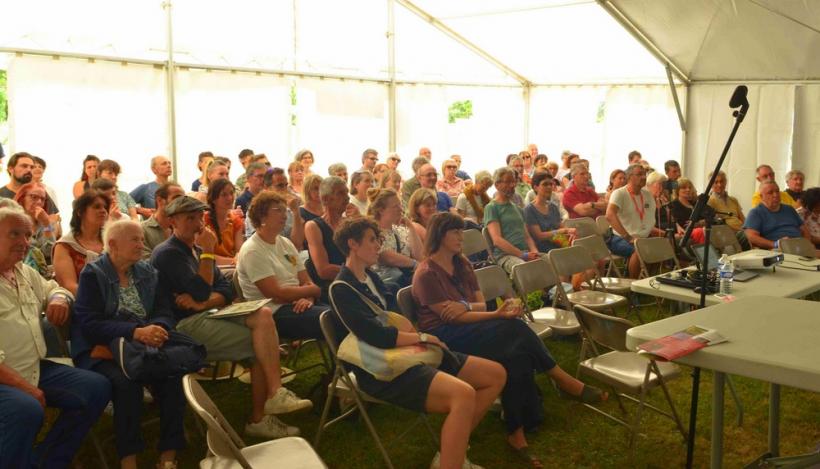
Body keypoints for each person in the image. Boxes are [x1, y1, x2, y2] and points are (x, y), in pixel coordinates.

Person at [414, 212, 606, 468]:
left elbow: (477, 305)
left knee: (515, 356)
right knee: (513, 327)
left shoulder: (461, 264)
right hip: (445, 338)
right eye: (455, 233)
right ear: (440, 236)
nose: (462, 237)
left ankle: (517, 433)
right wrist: (488, 312)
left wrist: (465, 307)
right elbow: (451, 319)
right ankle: (560, 379)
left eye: (461, 232)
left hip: (469, 326)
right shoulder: (426, 273)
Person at [331, 216, 505, 469]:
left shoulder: (372, 278)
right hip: (382, 369)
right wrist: (423, 338)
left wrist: (419, 340)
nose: (378, 245)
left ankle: (450, 452)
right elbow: (377, 337)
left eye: (378, 239)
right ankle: (451, 461)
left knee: (495, 375)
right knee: (463, 394)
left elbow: (397, 320)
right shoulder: (341, 288)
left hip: (406, 353)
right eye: (372, 240)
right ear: (352, 244)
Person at [152, 199, 309, 440]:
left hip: (208, 313)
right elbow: (204, 289)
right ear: (172, 221)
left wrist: (204, 301)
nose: (197, 224)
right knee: (261, 344)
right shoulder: (168, 253)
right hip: (184, 326)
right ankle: (259, 418)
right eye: (189, 218)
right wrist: (207, 255)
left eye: (199, 217)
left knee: (263, 314)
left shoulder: (195, 249)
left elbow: (225, 290)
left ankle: (275, 393)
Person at [0, 205, 110, 469]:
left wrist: (59, 299)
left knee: (96, 387)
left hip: (32, 366)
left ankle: (48, 461)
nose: (24, 242)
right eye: (14, 234)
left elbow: (56, 289)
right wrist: (26, 389)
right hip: (5, 376)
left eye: (27, 235)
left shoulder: (23, 272)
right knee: (25, 408)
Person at [72, 220, 183, 468]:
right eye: (134, 239)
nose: (141, 244)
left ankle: (168, 454)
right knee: (127, 383)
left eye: (142, 239)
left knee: (172, 376)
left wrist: (159, 328)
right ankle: (128, 458)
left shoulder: (148, 272)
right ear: (112, 244)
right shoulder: (94, 274)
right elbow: (89, 324)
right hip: (100, 349)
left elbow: (164, 310)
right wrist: (135, 331)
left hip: (143, 346)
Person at [237, 191, 327, 345]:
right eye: (278, 210)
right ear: (262, 217)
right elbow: (277, 295)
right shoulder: (253, 250)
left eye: (285, 210)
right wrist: (313, 291)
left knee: (344, 311)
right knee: (333, 318)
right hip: (274, 312)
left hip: (299, 304)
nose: (285, 215)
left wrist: (308, 298)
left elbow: (305, 280)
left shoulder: (285, 242)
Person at [484, 167, 544, 274]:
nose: (512, 185)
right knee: (525, 269)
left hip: (525, 253)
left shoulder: (517, 208)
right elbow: (497, 240)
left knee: (549, 261)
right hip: (505, 256)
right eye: (508, 182)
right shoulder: (492, 207)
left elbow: (527, 237)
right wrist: (522, 255)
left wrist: (534, 252)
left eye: (513, 181)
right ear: (497, 185)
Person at [53, 191, 109, 295]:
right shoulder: (64, 246)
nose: (103, 211)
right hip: (82, 305)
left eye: (105, 207)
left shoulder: (111, 242)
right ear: (80, 212)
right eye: (97, 207)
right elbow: (69, 286)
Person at [606, 164, 655, 278]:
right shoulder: (619, 193)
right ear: (629, 177)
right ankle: (633, 286)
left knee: (658, 248)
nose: (643, 177)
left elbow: (650, 218)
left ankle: (647, 283)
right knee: (638, 252)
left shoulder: (647, 194)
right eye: (639, 174)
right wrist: (627, 237)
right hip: (619, 237)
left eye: (644, 174)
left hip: (641, 237)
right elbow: (609, 215)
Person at [368, 189, 423, 293]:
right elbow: (384, 256)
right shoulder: (373, 232)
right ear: (381, 210)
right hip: (388, 283)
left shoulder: (400, 230)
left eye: (400, 205)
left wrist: (411, 227)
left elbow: (420, 256)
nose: (400, 209)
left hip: (406, 278)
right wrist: (415, 264)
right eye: (395, 206)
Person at [304, 177, 349, 299]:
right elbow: (324, 270)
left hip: (353, 280)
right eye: (340, 193)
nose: (347, 197)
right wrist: (355, 271)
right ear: (325, 199)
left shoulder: (349, 223)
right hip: (333, 287)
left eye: (347, 192)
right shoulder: (313, 226)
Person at [743, 181, 815, 252]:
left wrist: (807, 244)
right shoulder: (756, 213)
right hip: (777, 250)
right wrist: (775, 244)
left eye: (777, 191)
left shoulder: (789, 209)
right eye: (770, 193)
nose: (775, 195)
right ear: (761, 197)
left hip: (799, 247)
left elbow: (805, 230)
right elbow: (751, 237)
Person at [13, 183, 57, 272]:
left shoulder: (45, 223)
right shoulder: (11, 221)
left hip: (42, 274)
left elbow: (50, 253)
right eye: (34, 197)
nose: (39, 202)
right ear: (22, 198)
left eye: (43, 199)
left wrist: (46, 224)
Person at [525, 172, 574, 252]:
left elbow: (561, 227)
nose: (549, 187)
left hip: (559, 244)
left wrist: (570, 233)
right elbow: (539, 236)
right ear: (535, 187)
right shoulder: (529, 210)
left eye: (551, 184)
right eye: (545, 184)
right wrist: (561, 231)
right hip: (543, 250)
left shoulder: (553, 207)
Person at [203, 178, 244, 266]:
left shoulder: (236, 221)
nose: (229, 198)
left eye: (231, 193)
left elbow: (240, 251)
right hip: (209, 266)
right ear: (213, 199)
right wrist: (233, 261)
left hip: (231, 266)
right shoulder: (204, 220)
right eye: (224, 195)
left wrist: (237, 258)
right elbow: (203, 254)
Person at [141, 182, 185, 258]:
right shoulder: (142, 230)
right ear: (160, 200)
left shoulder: (184, 229)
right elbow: (145, 264)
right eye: (176, 198)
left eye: (183, 199)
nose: (181, 203)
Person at [669, 178, 714, 245]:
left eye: (689, 187)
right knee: (700, 231)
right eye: (684, 188)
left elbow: (712, 213)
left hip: (702, 229)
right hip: (687, 232)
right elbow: (683, 224)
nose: (688, 190)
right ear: (677, 190)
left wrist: (700, 222)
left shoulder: (694, 203)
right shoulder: (673, 205)